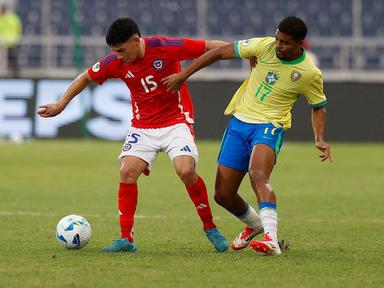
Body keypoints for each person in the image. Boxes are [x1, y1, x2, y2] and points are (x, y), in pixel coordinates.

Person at [38, 18, 229, 253]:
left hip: (175, 121)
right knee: (127, 171)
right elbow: (86, 76)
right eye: (114, 52)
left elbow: (211, 46)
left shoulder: (164, 47)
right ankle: (126, 239)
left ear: (136, 41)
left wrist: (245, 52)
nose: (118, 56)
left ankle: (210, 227)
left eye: (121, 50)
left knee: (186, 170)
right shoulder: (115, 62)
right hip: (143, 127)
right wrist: (61, 103)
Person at [163, 16, 332, 256]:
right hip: (239, 123)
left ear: (299, 43)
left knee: (258, 174)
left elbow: (318, 106)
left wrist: (319, 137)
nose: (278, 45)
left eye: (284, 42)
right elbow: (220, 52)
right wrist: (184, 75)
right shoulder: (264, 46)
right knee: (223, 195)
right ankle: (256, 225)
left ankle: (271, 239)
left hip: (270, 125)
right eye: (277, 39)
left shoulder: (309, 73)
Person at [0, 4, 22, 77]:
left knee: (12, 58)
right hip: (1, 43)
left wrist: (15, 38)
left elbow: (18, 29)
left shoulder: (13, 18)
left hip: (10, 42)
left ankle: (16, 74)